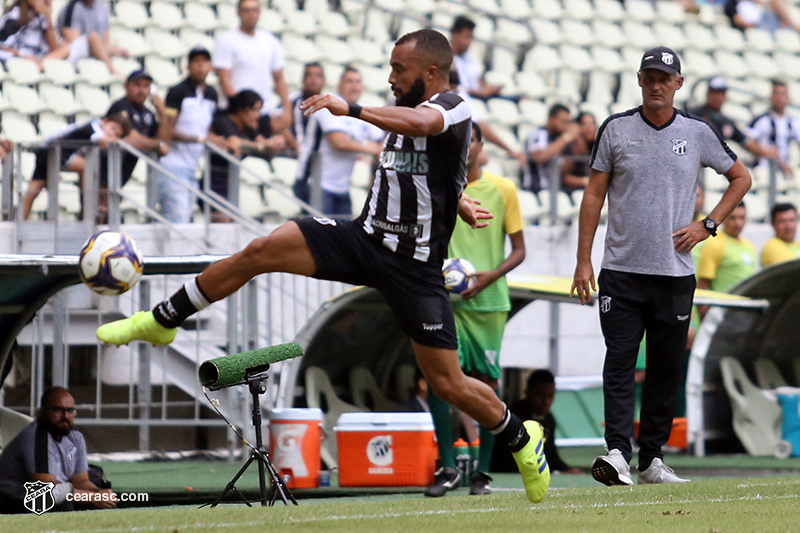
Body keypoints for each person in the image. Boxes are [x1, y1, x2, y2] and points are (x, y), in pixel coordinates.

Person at [96, 28, 550, 504]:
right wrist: (456, 201)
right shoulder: (405, 110)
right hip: (364, 237)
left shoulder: (453, 105)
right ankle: (161, 321)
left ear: (432, 72)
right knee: (260, 250)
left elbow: (423, 127)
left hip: (413, 268)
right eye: (391, 67)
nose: (390, 77)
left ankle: (522, 437)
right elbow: (423, 170)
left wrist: (349, 108)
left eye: (400, 69)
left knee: (447, 382)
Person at [570, 46, 751, 486]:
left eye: (664, 78)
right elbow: (593, 195)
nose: (656, 84)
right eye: (650, 76)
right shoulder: (616, 129)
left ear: (678, 84)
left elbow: (741, 177)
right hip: (622, 271)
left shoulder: (697, 131)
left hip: (674, 275)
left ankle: (651, 460)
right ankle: (616, 452)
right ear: (638, 79)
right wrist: (582, 260)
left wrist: (707, 225)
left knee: (666, 368)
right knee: (620, 362)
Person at [425, 121, 526, 498]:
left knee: (484, 385)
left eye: (471, 142)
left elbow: (519, 251)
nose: (465, 148)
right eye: (458, 142)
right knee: (439, 382)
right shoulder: (437, 187)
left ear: (482, 147)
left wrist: (487, 278)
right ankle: (447, 467)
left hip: (488, 303)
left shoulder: (503, 189)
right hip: (443, 300)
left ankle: (482, 473)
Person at [0, 387, 116, 514]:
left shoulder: (75, 437)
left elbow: (81, 481)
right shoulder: (36, 438)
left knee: (98, 485)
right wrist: (92, 497)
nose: (65, 416)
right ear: (43, 412)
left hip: (57, 491)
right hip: (15, 498)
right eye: (57, 410)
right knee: (64, 503)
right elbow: (49, 491)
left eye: (70, 410)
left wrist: (100, 493)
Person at [293, 66, 384, 215]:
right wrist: (372, 149)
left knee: (341, 234)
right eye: (349, 81)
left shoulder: (361, 109)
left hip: (342, 186)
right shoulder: (328, 104)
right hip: (314, 183)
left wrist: (378, 147)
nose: (354, 86)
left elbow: (382, 138)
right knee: (320, 235)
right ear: (339, 85)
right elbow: (339, 142)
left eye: (357, 82)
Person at [22, 113, 132, 220]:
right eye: (112, 128)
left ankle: (19, 221)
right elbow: (104, 142)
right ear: (105, 121)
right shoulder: (93, 127)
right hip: (54, 151)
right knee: (88, 166)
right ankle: (89, 209)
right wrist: (122, 143)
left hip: (47, 151)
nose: (112, 135)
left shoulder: (92, 128)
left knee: (34, 188)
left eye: (117, 135)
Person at [155, 46, 221, 224]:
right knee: (178, 219)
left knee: (185, 217)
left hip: (193, 166)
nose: (201, 66)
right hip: (174, 164)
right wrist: (196, 139)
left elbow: (206, 130)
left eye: (205, 62)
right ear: (188, 66)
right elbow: (167, 131)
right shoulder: (178, 91)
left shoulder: (212, 94)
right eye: (196, 62)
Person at [206, 89, 286, 222]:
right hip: (216, 179)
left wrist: (275, 142)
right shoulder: (224, 121)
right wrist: (262, 146)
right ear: (242, 109)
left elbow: (262, 143)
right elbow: (235, 142)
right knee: (222, 220)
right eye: (254, 110)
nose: (257, 115)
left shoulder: (247, 126)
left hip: (232, 179)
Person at [99, 69, 169, 221]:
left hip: (120, 175)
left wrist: (162, 113)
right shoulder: (120, 106)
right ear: (126, 87)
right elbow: (133, 137)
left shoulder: (148, 114)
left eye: (146, 86)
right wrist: (157, 144)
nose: (142, 90)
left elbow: (162, 140)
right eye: (137, 85)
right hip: (101, 172)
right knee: (96, 214)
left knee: (107, 215)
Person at [213, 0, 291, 135]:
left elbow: (279, 78)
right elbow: (224, 79)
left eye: (254, 10)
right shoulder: (226, 40)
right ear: (238, 13)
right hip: (237, 115)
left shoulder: (270, 41)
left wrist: (288, 110)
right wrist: (242, 110)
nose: (251, 14)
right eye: (246, 10)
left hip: (263, 112)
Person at [509, 370, 581, 475]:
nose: (545, 402)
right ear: (528, 392)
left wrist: (567, 470)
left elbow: (551, 455)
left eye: (550, 396)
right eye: (540, 395)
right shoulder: (514, 418)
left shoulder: (548, 419)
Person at [689, 77, 778, 162]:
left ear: (725, 96)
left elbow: (744, 141)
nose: (717, 97)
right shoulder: (695, 116)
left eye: (720, 93)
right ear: (708, 94)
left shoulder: (726, 123)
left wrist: (765, 152)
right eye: (714, 93)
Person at [697, 201, 756, 308]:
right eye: (732, 218)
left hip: (744, 308)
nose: (738, 223)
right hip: (723, 309)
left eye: (742, 217)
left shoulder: (748, 245)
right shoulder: (715, 243)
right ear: (724, 218)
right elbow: (703, 285)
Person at [749, 80, 800, 179]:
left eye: (783, 94)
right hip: (763, 169)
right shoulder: (761, 120)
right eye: (777, 94)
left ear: (788, 98)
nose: (780, 98)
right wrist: (764, 151)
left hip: (784, 171)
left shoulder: (794, 123)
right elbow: (746, 141)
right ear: (771, 97)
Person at [524, 103, 580, 193]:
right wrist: (566, 138)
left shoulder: (559, 139)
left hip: (555, 189)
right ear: (551, 119)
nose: (566, 126)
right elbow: (539, 157)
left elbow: (563, 171)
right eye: (563, 121)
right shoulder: (538, 133)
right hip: (536, 189)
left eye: (568, 122)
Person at [57, 0, 126, 73]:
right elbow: (74, 43)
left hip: (95, 51)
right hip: (75, 55)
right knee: (94, 37)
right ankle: (113, 72)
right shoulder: (72, 8)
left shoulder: (103, 9)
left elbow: (105, 42)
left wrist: (115, 50)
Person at [450, 16, 501, 100]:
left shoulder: (470, 58)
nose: (469, 42)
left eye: (471, 38)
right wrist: (479, 92)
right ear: (455, 34)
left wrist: (489, 89)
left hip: (477, 96)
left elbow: (479, 81)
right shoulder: (445, 58)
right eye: (467, 37)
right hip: (462, 97)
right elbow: (455, 88)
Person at [286, 62, 326, 153]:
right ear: (303, 80)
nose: (314, 79)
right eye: (309, 75)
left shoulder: (328, 106)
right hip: (291, 152)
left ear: (324, 81)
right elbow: (280, 126)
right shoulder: (292, 100)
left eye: (318, 76)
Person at [560, 111, 598, 194]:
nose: (589, 128)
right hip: (571, 191)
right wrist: (584, 181)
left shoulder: (597, 147)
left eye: (592, 124)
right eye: (585, 124)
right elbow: (563, 177)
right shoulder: (570, 147)